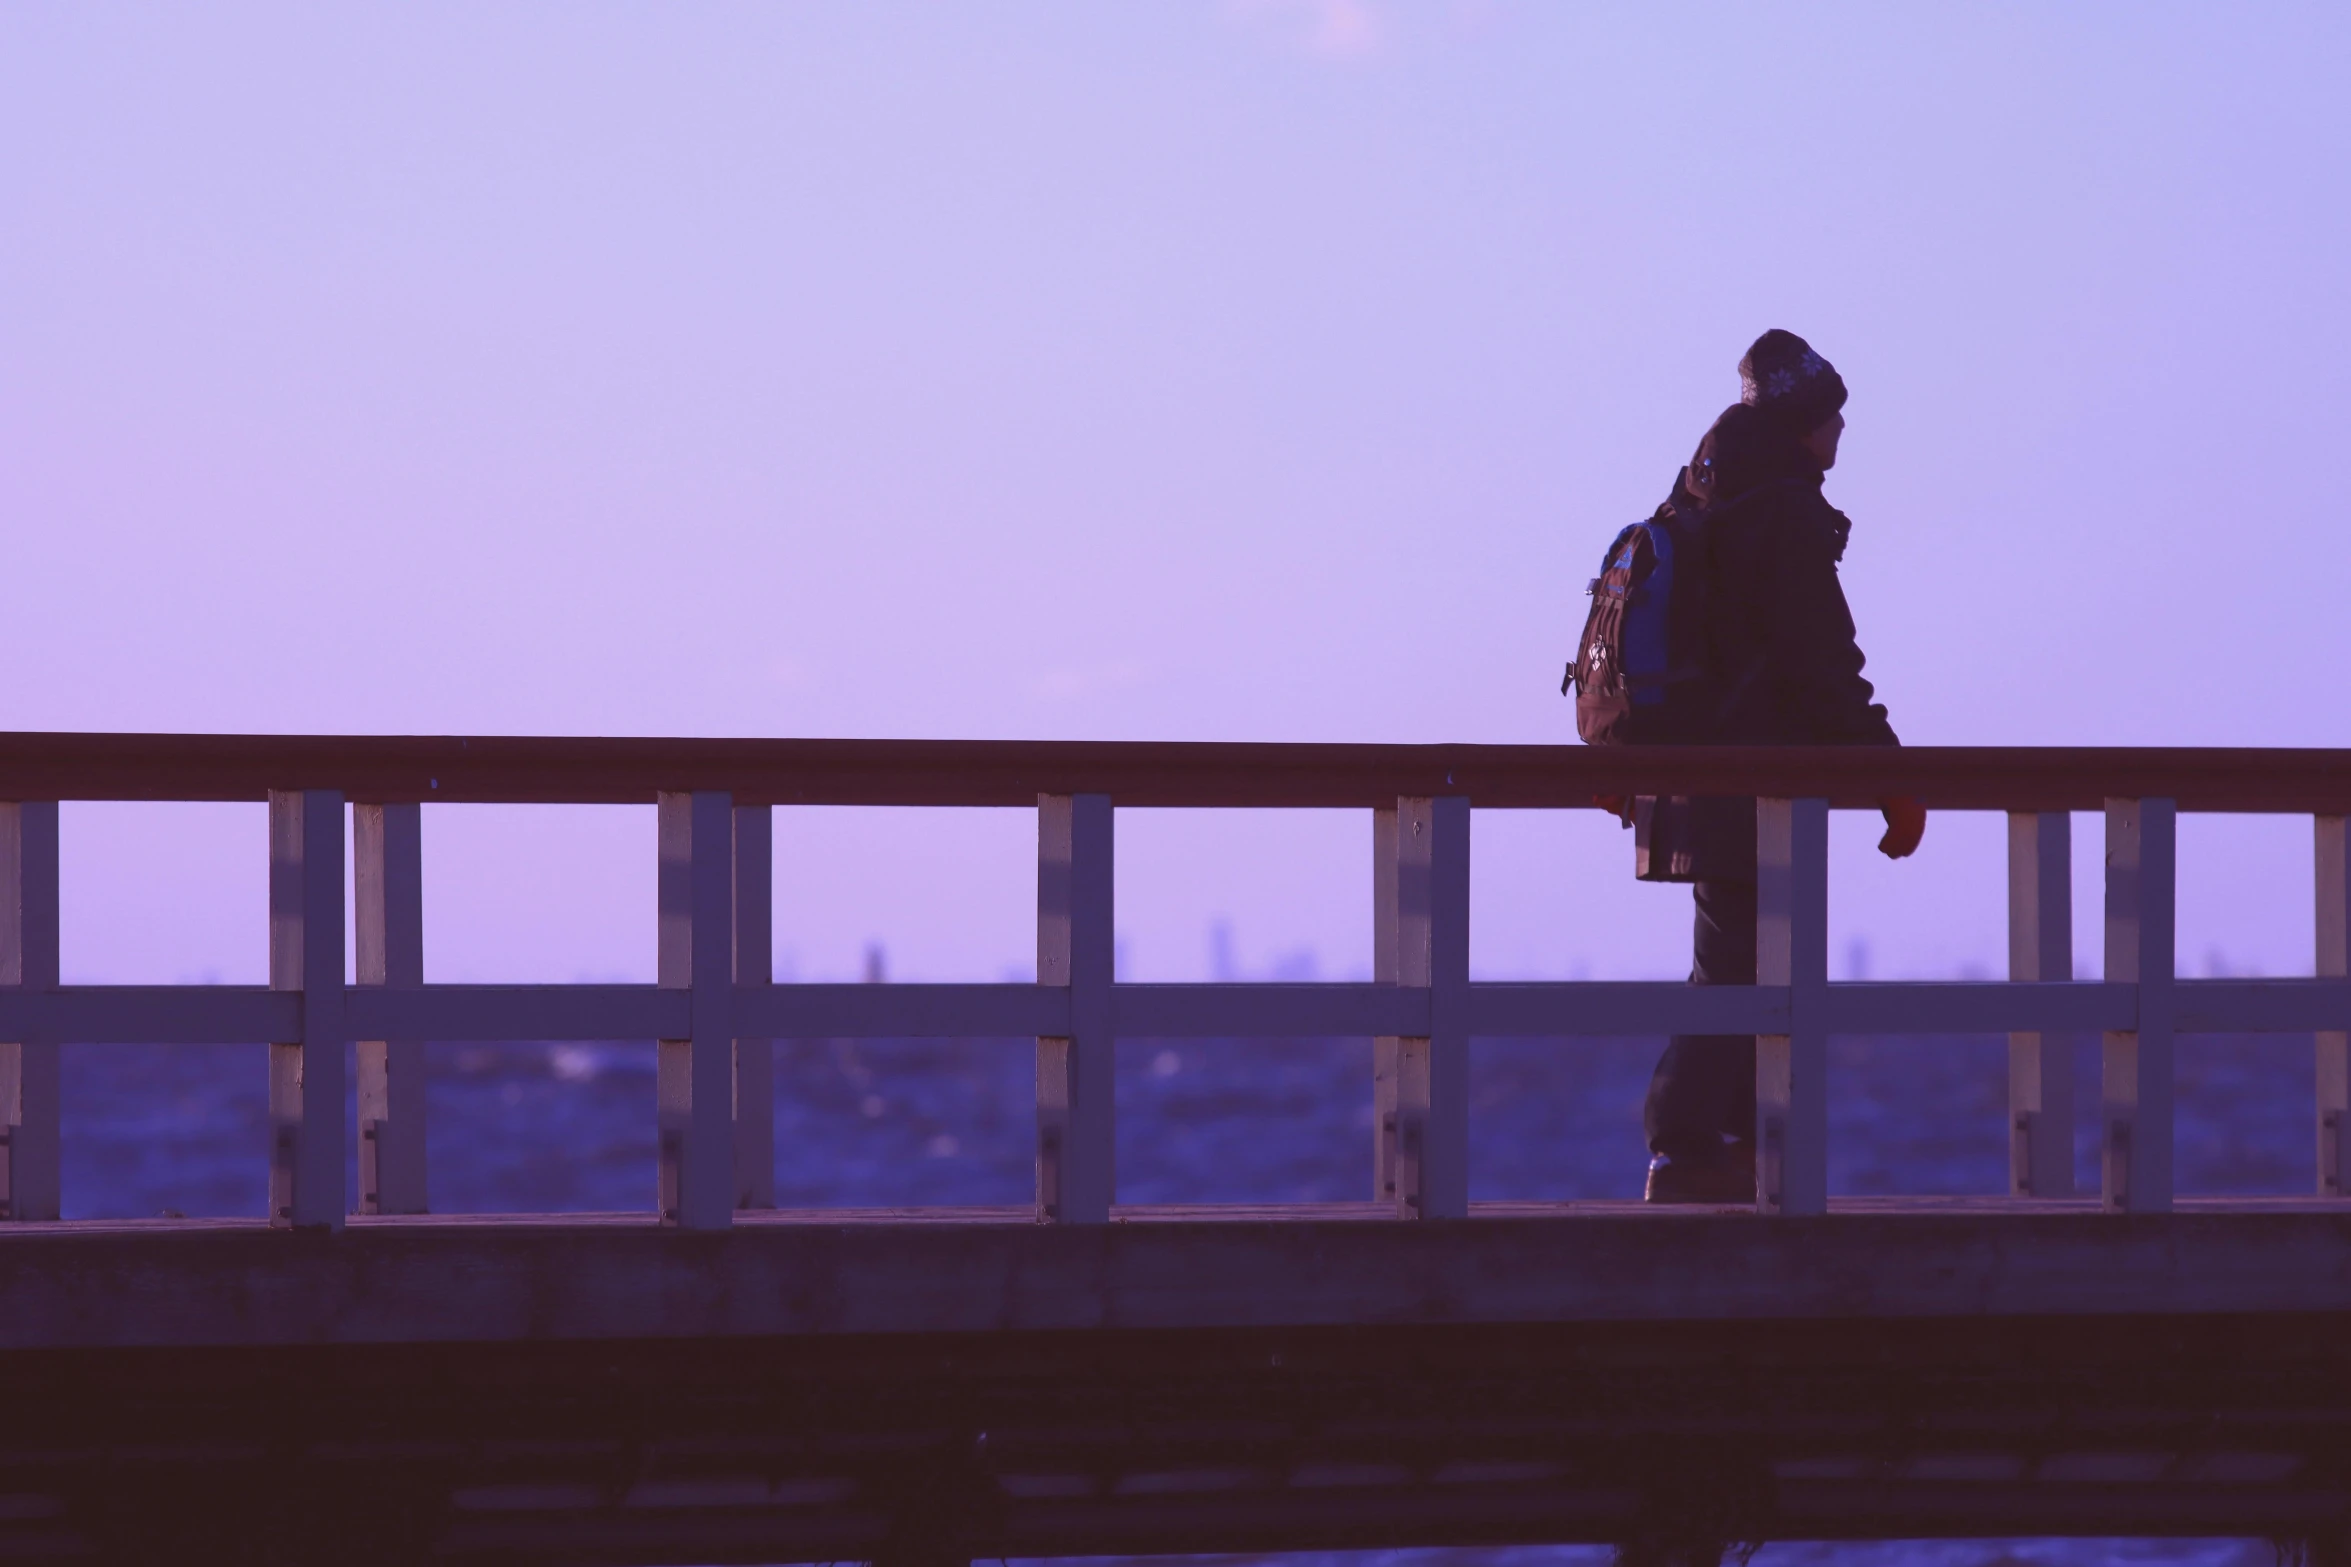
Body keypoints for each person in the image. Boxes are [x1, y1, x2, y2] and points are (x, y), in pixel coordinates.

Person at [1639, 330, 1926, 1204]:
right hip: (1748, 767)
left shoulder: (1700, 487)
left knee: (1735, 956)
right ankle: (1685, 1147)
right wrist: (1887, 771)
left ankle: (1718, 1150)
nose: (1840, 438)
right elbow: (1821, 659)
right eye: (1833, 420)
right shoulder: (1781, 510)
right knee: (1740, 963)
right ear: (1808, 425)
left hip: (1687, 757)